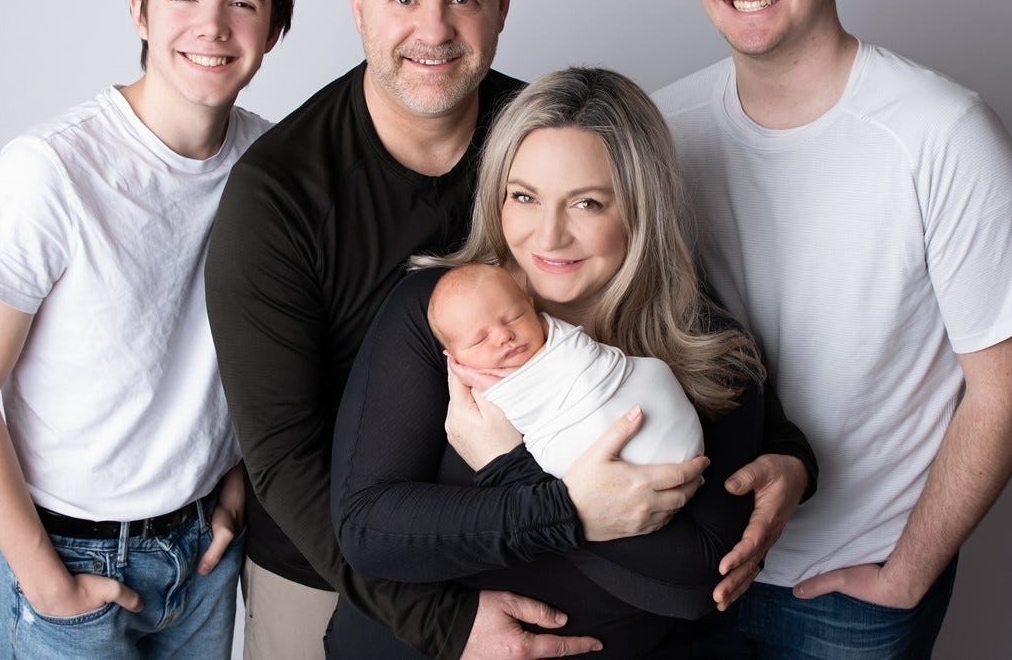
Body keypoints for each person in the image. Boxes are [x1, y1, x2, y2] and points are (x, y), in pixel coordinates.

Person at [207, 0, 815, 660]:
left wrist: (795, 454)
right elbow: (297, 467)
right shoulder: (289, 201)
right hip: (319, 559)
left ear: (500, 3)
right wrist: (465, 604)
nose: (432, 30)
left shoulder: (552, 127)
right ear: (359, 5)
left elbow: (695, 338)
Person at [654, 0, 1012, 658]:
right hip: (686, 573)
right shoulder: (662, 133)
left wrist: (908, 573)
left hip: (849, 588)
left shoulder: (945, 135)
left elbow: (1010, 392)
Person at [0, 0, 294, 659]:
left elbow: (281, 347)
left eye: (243, 3)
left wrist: (239, 480)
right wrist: (45, 582)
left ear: (275, 32)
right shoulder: (51, 169)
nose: (213, 26)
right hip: (64, 555)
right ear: (139, 11)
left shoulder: (275, 167)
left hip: (203, 553)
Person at [330, 67, 800, 658]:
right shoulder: (443, 312)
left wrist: (513, 468)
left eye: (587, 203)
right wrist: (571, 512)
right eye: (524, 197)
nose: (548, 237)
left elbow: (693, 583)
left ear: (640, 209)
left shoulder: (710, 355)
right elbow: (371, 529)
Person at [428, 262, 706, 477]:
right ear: (454, 359)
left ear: (532, 307)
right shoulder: (477, 399)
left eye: (514, 317)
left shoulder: (563, 340)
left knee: (655, 372)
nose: (504, 336)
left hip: (648, 406)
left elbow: (587, 363)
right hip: (593, 459)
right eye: (480, 339)